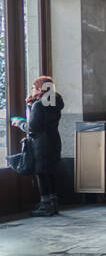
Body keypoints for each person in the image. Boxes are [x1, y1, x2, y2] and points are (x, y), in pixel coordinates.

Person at [20, 76, 64, 216]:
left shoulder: (39, 105)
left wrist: (19, 123)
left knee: (42, 173)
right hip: (54, 141)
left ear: (40, 89)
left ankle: (45, 205)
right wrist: (31, 105)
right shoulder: (55, 102)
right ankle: (53, 203)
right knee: (50, 172)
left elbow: (33, 127)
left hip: (41, 144)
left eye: (33, 87)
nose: (32, 90)